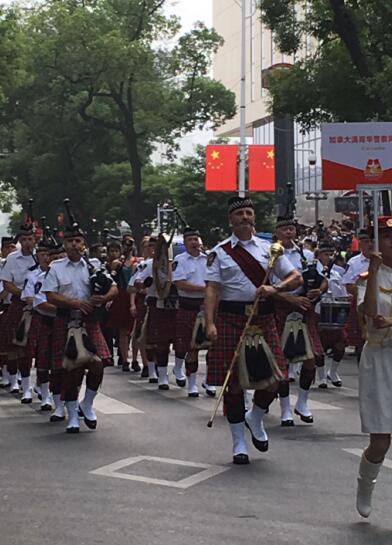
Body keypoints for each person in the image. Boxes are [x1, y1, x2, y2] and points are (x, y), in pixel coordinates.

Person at [205, 197, 302, 464]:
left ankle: (256, 416)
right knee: (234, 386)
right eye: (239, 214)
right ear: (231, 220)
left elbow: (296, 277)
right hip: (230, 319)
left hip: (264, 319)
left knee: (275, 379)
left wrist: (275, 288)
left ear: (254, 218)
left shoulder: (271, 249)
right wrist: (210, 322)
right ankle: (238, 443)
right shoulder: (220, 252)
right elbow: (212, 290)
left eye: (249, 213)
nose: (245, 217)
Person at [42, 222, 118, 433]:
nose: (74, 245)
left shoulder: (94, 265)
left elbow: (114, 288)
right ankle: (73, 415)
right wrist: (75, 303)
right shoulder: (56, 268)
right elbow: (50, 295)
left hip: (90, 321)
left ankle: (87, 404)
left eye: (78, 241)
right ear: (65, 245)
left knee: (98, 364)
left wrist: (102, 298)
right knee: (70, 371)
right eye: (70, 241)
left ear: (83, 244)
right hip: (65, 322)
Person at [273, 217, 327, 425]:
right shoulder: (269, 255)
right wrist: (290, 298)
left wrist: (318, 291)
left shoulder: (307, 255)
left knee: (311, 358)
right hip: (280, 309)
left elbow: (324, 280)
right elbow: (266, 287)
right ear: (276, 232)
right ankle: (285, 408)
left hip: (304, 308)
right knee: (283, 361)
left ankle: (302, 403)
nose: (289, 232)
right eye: (284, 229)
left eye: (291, 229)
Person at [355, 217, 392, 518]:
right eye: (388, 238)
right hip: (380, 358)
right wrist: (376, 270)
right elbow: (369, 313)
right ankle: (365, 485)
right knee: (381, 440)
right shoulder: (368, 277)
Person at [172, 227, 215, 397]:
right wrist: (205, 288)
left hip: (208, 306)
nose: (194, 243)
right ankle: (191, 383)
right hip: (188, 306)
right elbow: (180, 283)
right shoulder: (180, 260)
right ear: (185, 243)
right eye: (190, 240)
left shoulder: (209, 259)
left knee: (212, 347)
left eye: (196, 239)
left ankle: (210, 381)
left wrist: (210, 290)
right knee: (192, 347)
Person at [0, 221, 36, 397]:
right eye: (25, 239)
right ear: (20, 240)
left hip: (38, 303)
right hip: (18, 303)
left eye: (31, 239)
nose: (28, 242)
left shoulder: (40, 257)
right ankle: (14, 380)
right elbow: (6, 282)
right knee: (15, 344)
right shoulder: (13, 259)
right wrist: (22, 293)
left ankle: (29, 385)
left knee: (30, 347)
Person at [315, 242, 348, 388]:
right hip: (317, 312)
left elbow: (342, 293)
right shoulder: (313, 271)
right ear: (318, 255)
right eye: (325, 254)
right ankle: (321, 376)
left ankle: (333, 372)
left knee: (341, 343)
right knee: (319, 346)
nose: (328, 257)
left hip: (334, 313)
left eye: (330, 255)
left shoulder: (336, 273)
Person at [341, 229, 372, 361]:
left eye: (371, 241)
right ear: (360, 243)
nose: (369, 244)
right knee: (361, 339)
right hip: (361, 303)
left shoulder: (386, 260)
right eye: (365, 241)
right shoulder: (354, 262)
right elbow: (348, 285)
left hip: (383, 302)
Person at [0, 237, 17, 388]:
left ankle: (16, 375)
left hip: (20, 307)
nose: (11, 250)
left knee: (19, 344)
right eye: (8, 247)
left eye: (13, 247)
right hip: (4, 308)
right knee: (5, 345)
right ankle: (6, 374)